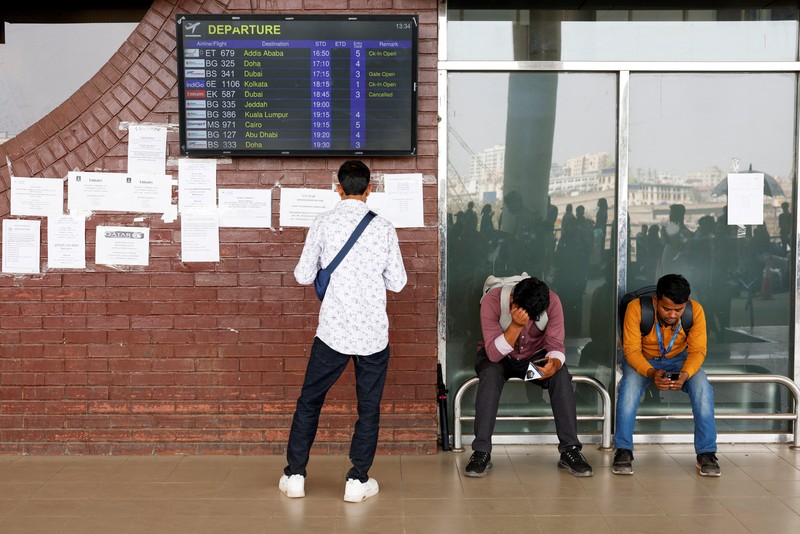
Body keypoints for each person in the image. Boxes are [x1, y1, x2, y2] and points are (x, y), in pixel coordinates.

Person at [280, 160, 408, 502]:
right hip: (372, 335)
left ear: (338, 188)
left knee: (310, 401)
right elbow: (398, 282)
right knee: (368, 408)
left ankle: (295, 475)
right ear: (369, 189)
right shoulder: (384, 228)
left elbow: (302, 276)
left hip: (333, 333)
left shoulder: (323, 223)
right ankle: (357, 480)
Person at [464, 276, 593, 478]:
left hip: (532, 363)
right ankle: (481, 451)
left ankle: (570, 450)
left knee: (560, 376)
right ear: (512, 298)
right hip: (500, 359)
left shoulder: (552, 302)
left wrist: (553, 364)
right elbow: (494, 354)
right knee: (490, 374)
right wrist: (516, 326)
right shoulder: (492, 301)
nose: (527, 319)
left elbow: (556, 345)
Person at [613, 274, 720, 477]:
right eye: (666, 309)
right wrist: (651, 372)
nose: (672, 315)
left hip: (680, 361)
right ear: (656, 299)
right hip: (643, 360)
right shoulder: (636, 308)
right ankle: (623, 450)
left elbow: (698, 351)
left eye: (678, 310)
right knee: (628, 389)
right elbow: (631, 351)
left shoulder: (695, 311)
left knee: (702, 388)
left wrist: (685, 374)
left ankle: (707, 453)